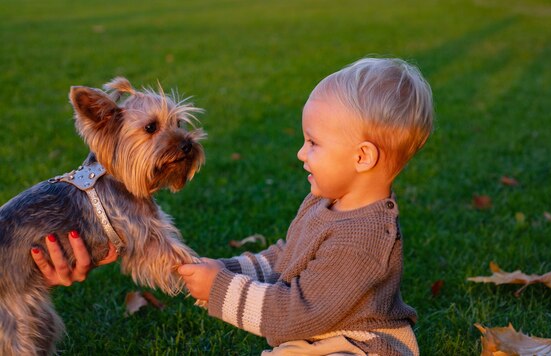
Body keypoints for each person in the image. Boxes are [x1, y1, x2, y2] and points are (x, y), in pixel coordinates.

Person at [35, 57, 434, 355]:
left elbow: (298, 313)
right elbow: (287, 258)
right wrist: (222, 269)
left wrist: (221, 289)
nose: (300, 153)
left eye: (313, 143)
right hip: (321, 337)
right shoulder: (326, 202)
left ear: (362, 157)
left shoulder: (363, 241)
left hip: (365, 345)